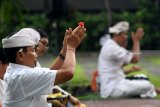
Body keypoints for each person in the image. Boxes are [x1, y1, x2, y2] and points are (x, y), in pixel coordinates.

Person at [2, 25, 86, 107]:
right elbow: (68, 73)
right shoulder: (21, 76)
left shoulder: (18, 72)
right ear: (20, 55)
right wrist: (71, 47)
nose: (36, 55)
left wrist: (65, 49)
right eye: (33, 50)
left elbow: (50, 72)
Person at [98, 21, 159, 98]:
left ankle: (147, 92)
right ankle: (150, 92)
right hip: (112, 88)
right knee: (147, 85)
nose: (126, 37)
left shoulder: (113, 46)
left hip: (116, 84)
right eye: (125, 34)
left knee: (143, 77)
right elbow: (135, 58)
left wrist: (131, 68)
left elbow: (130, 56)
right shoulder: (112, 48)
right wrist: (136, 41)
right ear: (117, 34)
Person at [36, 28, 86, 107]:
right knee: (60, 102)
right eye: (43, 43)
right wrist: (71, 48)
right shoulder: (23, 68)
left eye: (47, 45)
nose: (45, 48)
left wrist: (66, 47)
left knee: (63, 99)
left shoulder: (33, 64)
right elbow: (67, 73)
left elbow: (49, 77)